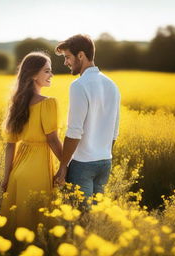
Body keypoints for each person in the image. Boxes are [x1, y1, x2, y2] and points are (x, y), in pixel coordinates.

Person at [54, 34, 120, 206]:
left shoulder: (79, 85)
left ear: (81, 55)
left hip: (83, 165)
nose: (65, 62)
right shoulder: (112, 85)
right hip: (105, 162)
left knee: (80, 220)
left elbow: (74, 132)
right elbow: (114, 131)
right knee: (96, 220)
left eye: (68, 57)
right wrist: (102, 153)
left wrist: (63, 166)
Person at [0, 51, 62, 232]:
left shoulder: (17, 105)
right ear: (34, 75)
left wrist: (6, 178)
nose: (51, 75)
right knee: (36, 228)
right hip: (37, 171)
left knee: (17, 229)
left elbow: (10, 145)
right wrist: (67, 164)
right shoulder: (48, 103)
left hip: (17, 174)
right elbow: (52, 140)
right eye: (47, 71)